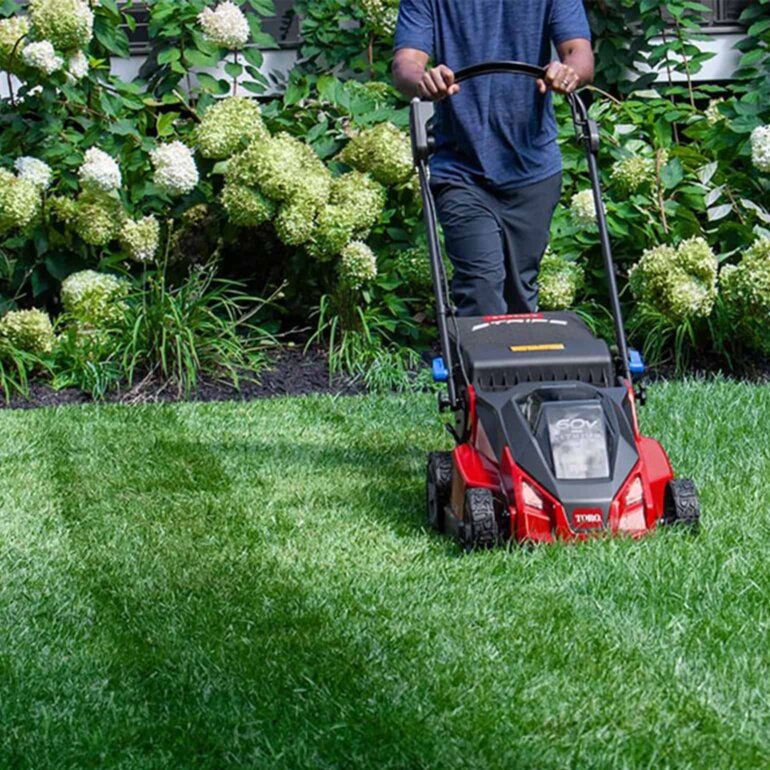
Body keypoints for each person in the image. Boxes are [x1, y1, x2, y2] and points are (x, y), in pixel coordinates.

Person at [392, 1, 594, 317]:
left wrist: (569, 72)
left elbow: (579, 54)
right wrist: (423, 80)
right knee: (481, 290)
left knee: (520, 295)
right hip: (461, 169)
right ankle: (476, 366)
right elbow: (406, 63)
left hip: (533, 168)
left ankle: (521, 366)